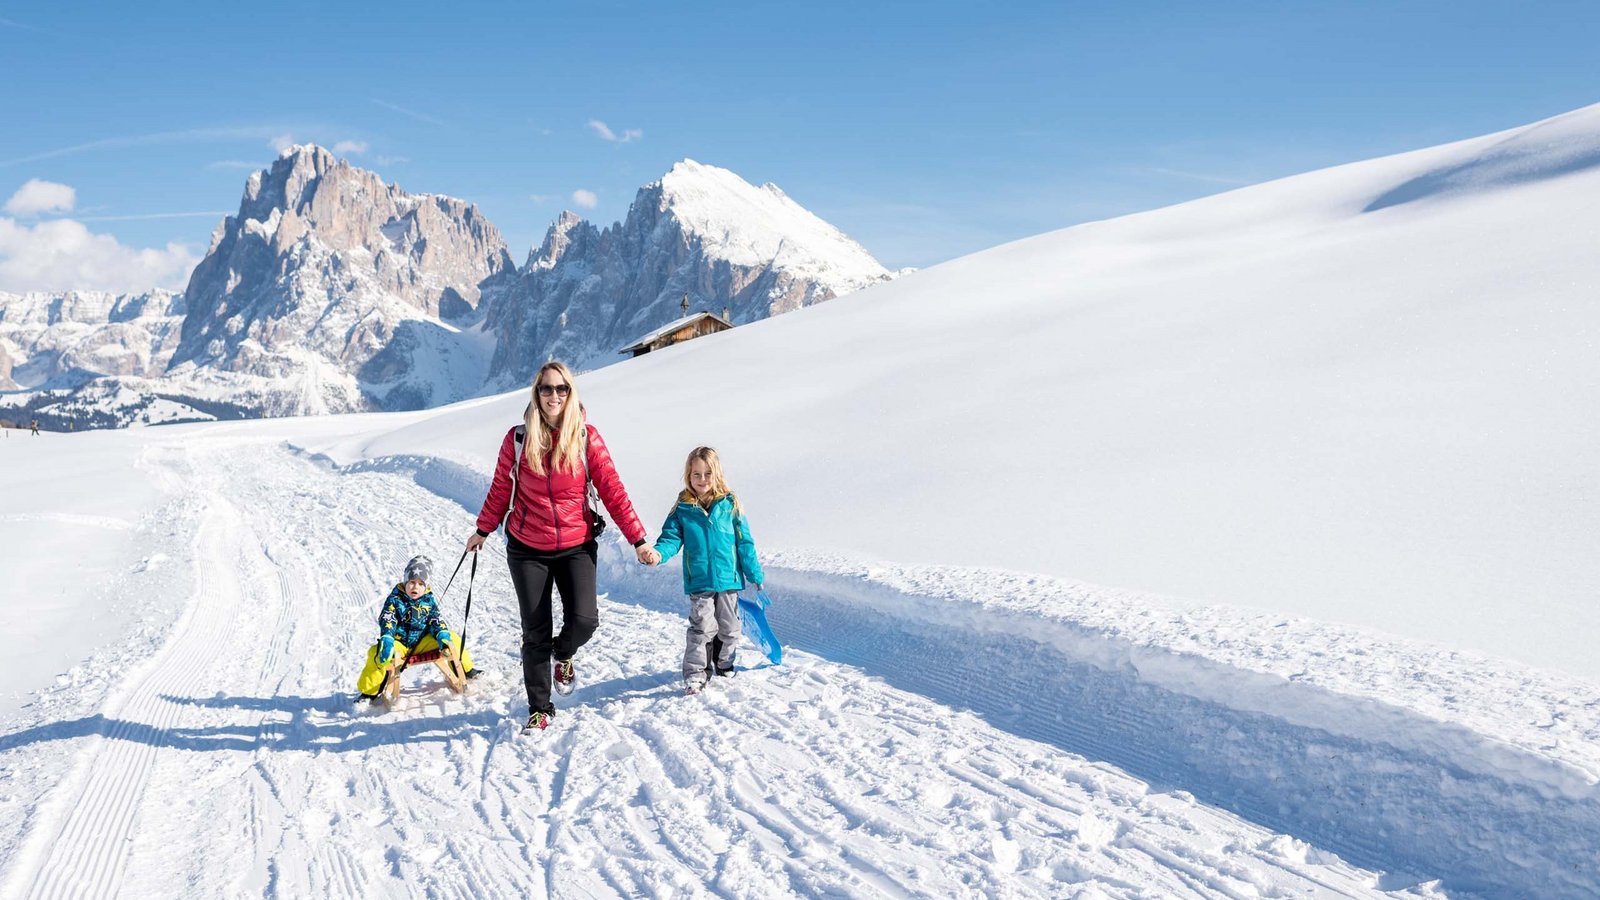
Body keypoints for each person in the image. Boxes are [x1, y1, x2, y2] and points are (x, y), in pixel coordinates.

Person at [466, 362, 655, 732]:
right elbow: (501, 489)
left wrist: (639, 539)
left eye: (562, 388)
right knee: (535, 630)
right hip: (527, 547)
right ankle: (539, 708)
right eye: (547, 389)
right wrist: (483, 529)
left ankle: (563, 653)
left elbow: (613, 491)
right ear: (536, 394)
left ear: (571, 393)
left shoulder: (586, 438)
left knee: (585, 620)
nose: (554, 395)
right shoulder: (519, 439)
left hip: (576, 544)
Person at [650, 446, 764, 695]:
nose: (702, 480)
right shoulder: (683, 508)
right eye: (696, 474)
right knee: (702, 627)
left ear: (717, 474)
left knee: (730, 628)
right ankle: (696, 674)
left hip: (729, 580)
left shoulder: (730, 505)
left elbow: (744, 542)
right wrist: (658, 554)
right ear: (688, 476)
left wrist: (755, 574)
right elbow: (670, 538)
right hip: (699, 581)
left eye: (707, 474)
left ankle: (724, 663)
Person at [356, 555, 475, 700]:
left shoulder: (428, 600)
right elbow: (388, 618)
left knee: (453, 638)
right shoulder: (395, 599)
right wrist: (387, 638)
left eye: (420, 583)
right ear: (405, 581)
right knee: (376, 652)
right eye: (412, 582)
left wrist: (442, 635)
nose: (415, 587)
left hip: (422, 643)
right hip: (399, 644)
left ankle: (467, 671)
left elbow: (435, 619)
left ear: (425, 586)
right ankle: (368, 692)